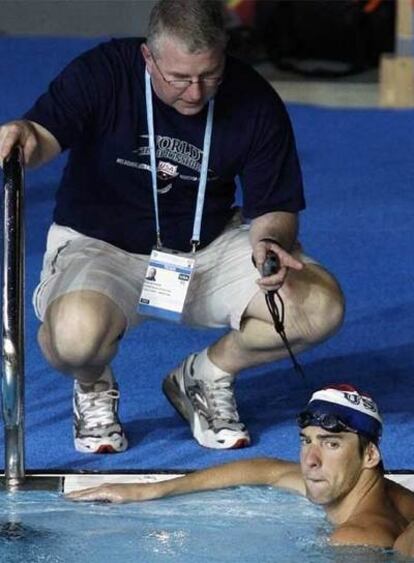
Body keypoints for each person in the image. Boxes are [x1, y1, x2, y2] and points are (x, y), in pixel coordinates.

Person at [0, 0, 344, 455]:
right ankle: (92, 384)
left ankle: (206, 375)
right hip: (103, 247)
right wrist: (22, 135)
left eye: (210, 76)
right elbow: (45, 134)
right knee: (74, 338)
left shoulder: (254, 98)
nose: (196, 93)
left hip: (208, 247)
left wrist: (271, 241)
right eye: (180, 78)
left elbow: (276, 207)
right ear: (149, 57)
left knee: (319, 307)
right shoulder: (105, 72)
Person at [67, 384, 414, 554]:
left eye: (331, 443)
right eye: (307, 440)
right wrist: (152, 490)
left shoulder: (354, 539)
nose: (310, 460)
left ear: (370, 455)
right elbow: (268, 470)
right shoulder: (384, 494)